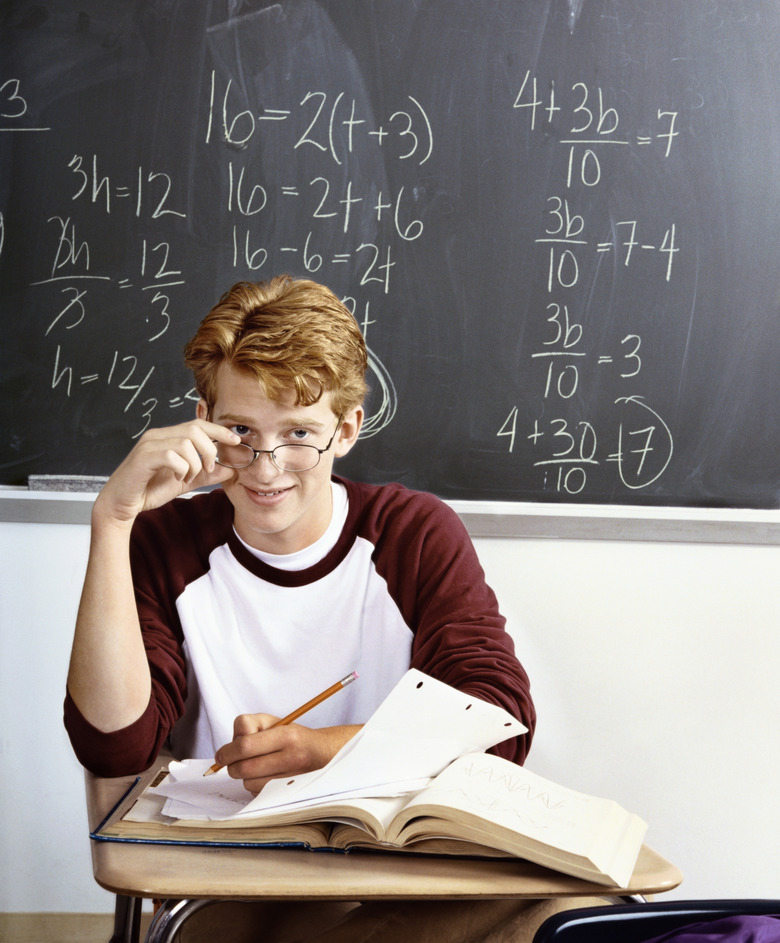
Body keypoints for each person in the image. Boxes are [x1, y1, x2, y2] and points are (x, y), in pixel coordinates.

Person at [64, 275, 601, 942]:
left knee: (562, 912)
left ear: (346, 429)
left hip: (393, 871)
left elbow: (499, 716)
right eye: (240, 430)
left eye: (299, 432)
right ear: (203, 419)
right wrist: (112, 521)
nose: (266, 466)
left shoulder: (413, 532)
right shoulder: (164, 542)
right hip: (227, 880)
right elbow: (113, 743)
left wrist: (322, 749)